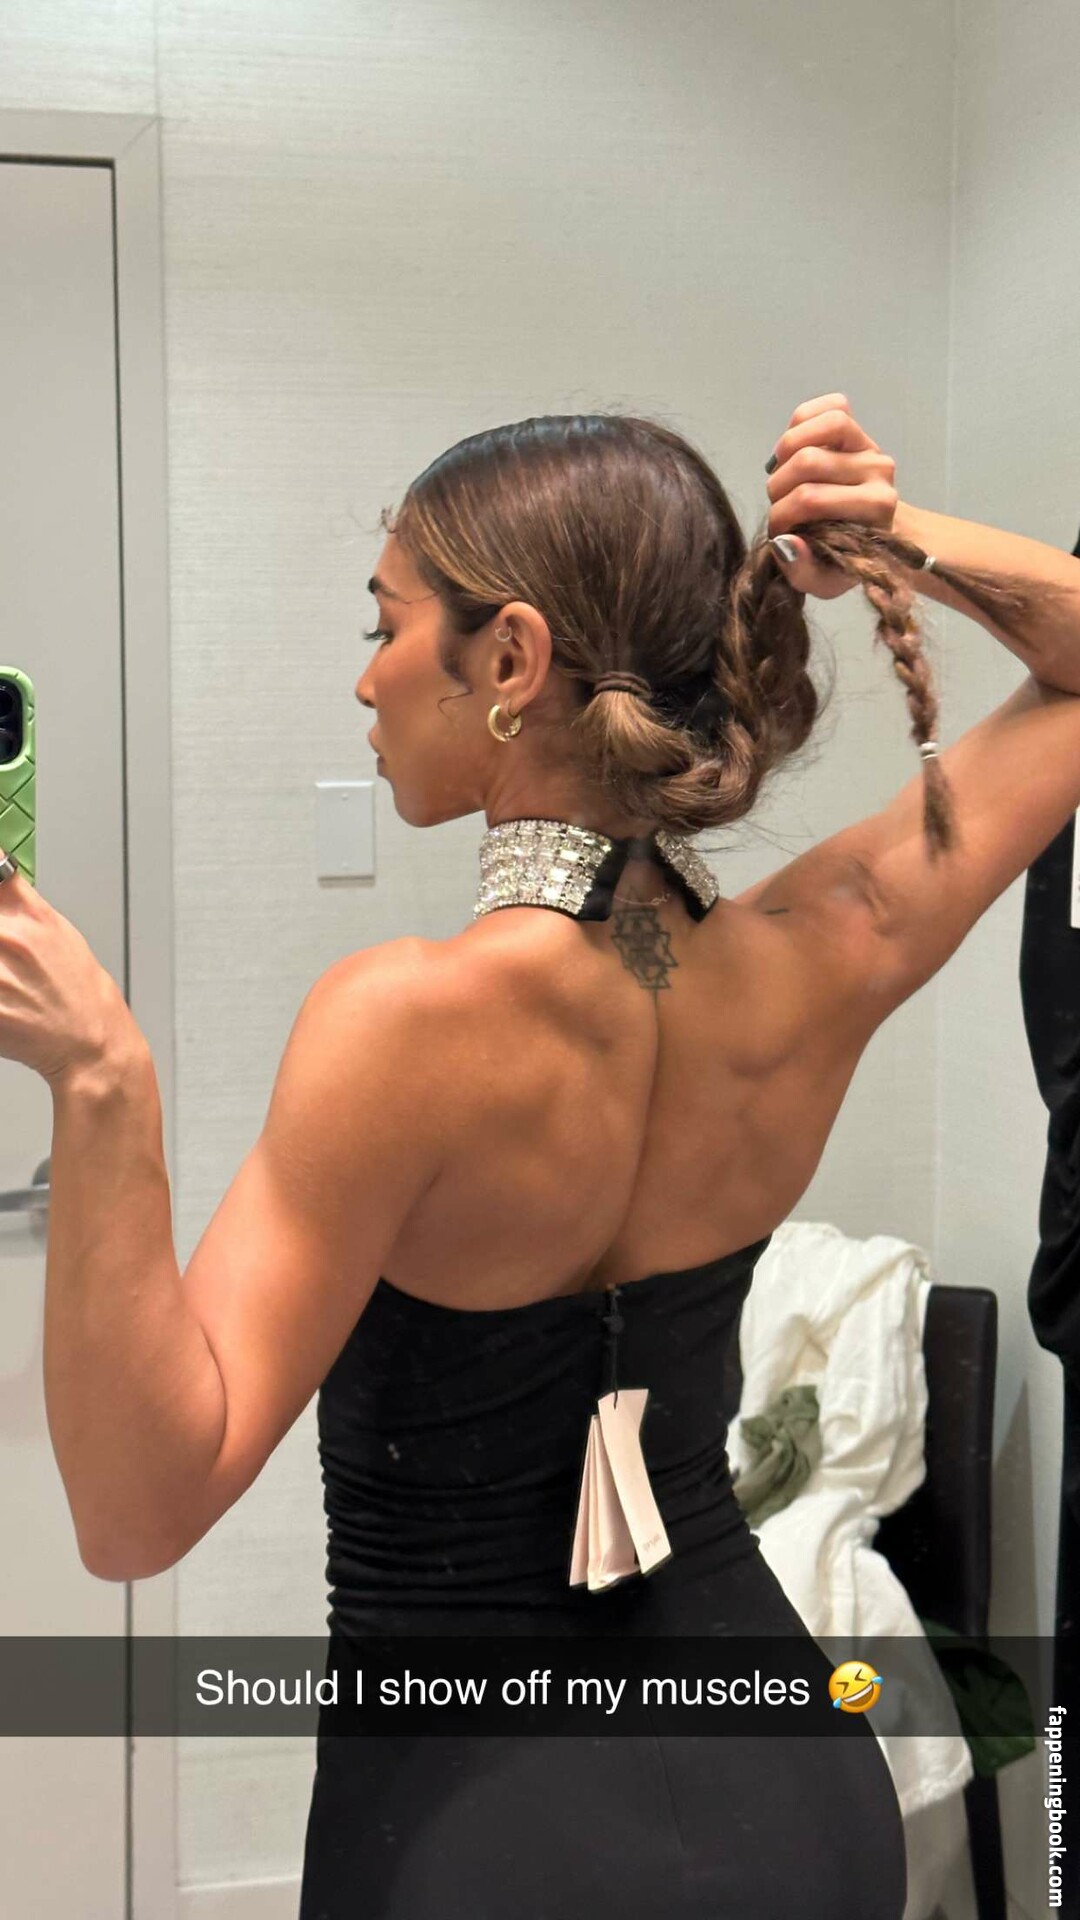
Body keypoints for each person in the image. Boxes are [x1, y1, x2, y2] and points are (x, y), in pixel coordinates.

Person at [31, 392, 1075, 1916]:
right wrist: (895, 536)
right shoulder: (822, 951)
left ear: (511, 661)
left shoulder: (398, 1027)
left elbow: (137, 1510)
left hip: (476, 1831)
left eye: (388, 623)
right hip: (795, 1792)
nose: (367, 676)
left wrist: (99, 1083)